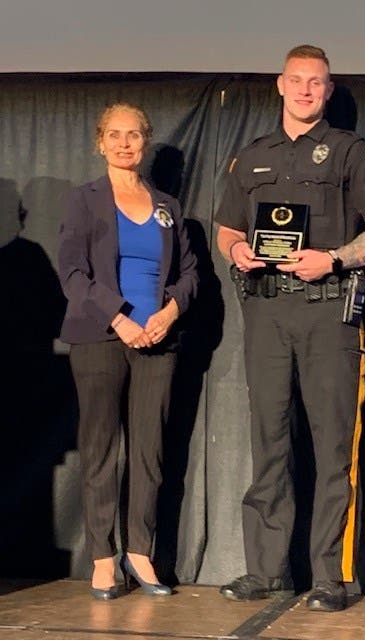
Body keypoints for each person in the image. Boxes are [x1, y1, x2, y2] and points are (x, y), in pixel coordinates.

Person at [216, 45, 365, 612]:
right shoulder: (250, 157)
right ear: (280, 85)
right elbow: (226, 229)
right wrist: (238, 251)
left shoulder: (348, 152)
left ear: (328, 90)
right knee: (269, 443)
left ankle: (330, 577)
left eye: (315, 82)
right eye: (296, 80)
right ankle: (265, 571)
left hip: (329, 313)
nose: (304, 90)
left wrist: (337, 258)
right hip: (267, 313)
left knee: (332, 447)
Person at [58, 103, 198, 599]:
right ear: (100, 143)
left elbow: (189, 273)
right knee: (100, 449)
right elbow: (73, 273)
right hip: (101, 336)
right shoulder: (84, 200)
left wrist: (168, 313)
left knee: (149, 450)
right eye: (114, 135)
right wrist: (120, 318)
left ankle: (140, 552)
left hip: (157, 340)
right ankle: (103, 558)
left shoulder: (167, 206)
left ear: (146, 141)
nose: (124, 143)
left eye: (134, 135)